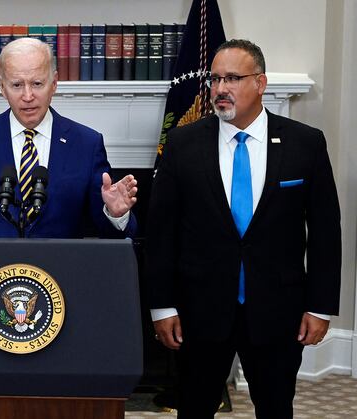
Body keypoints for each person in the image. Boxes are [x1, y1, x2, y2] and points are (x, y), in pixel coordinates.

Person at [145, 39, 341, 419]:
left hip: (277, 312)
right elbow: (161, 233)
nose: (220, 89)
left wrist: (320, 306)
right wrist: (162, 306)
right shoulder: (183, 143)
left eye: (232, 78)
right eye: (215, 79)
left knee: (275, 408)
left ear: (261, 82)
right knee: (194, 408)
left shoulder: (306, 143)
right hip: (198, 313)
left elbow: (325, 233)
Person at [0, 37, 138, 238]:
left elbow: (110, 233)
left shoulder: (86, 144)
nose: (28, 96)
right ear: (2, 87)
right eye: (17, 85)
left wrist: (116, 214)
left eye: (37, 83)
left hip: (60, 271)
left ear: (54, 83)